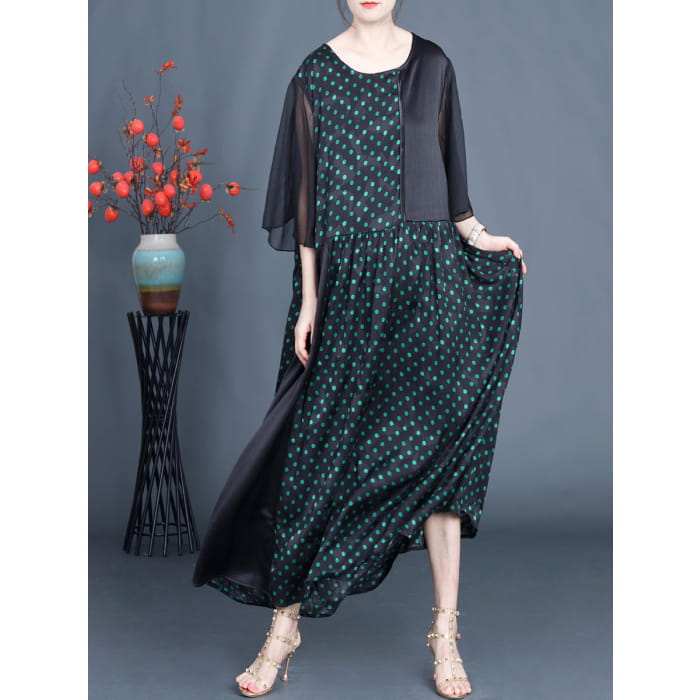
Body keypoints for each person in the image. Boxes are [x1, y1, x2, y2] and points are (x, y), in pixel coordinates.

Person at [192, 1, 526, 698]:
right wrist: (310, 301)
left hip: (430, 286)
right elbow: (307, 203)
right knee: (314, 458)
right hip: (348, 292)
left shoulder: (433, 64)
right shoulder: (315, 74)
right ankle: (283, 629)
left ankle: (445, 633)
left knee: (440, 456)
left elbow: (454, 188)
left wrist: (480, 235)